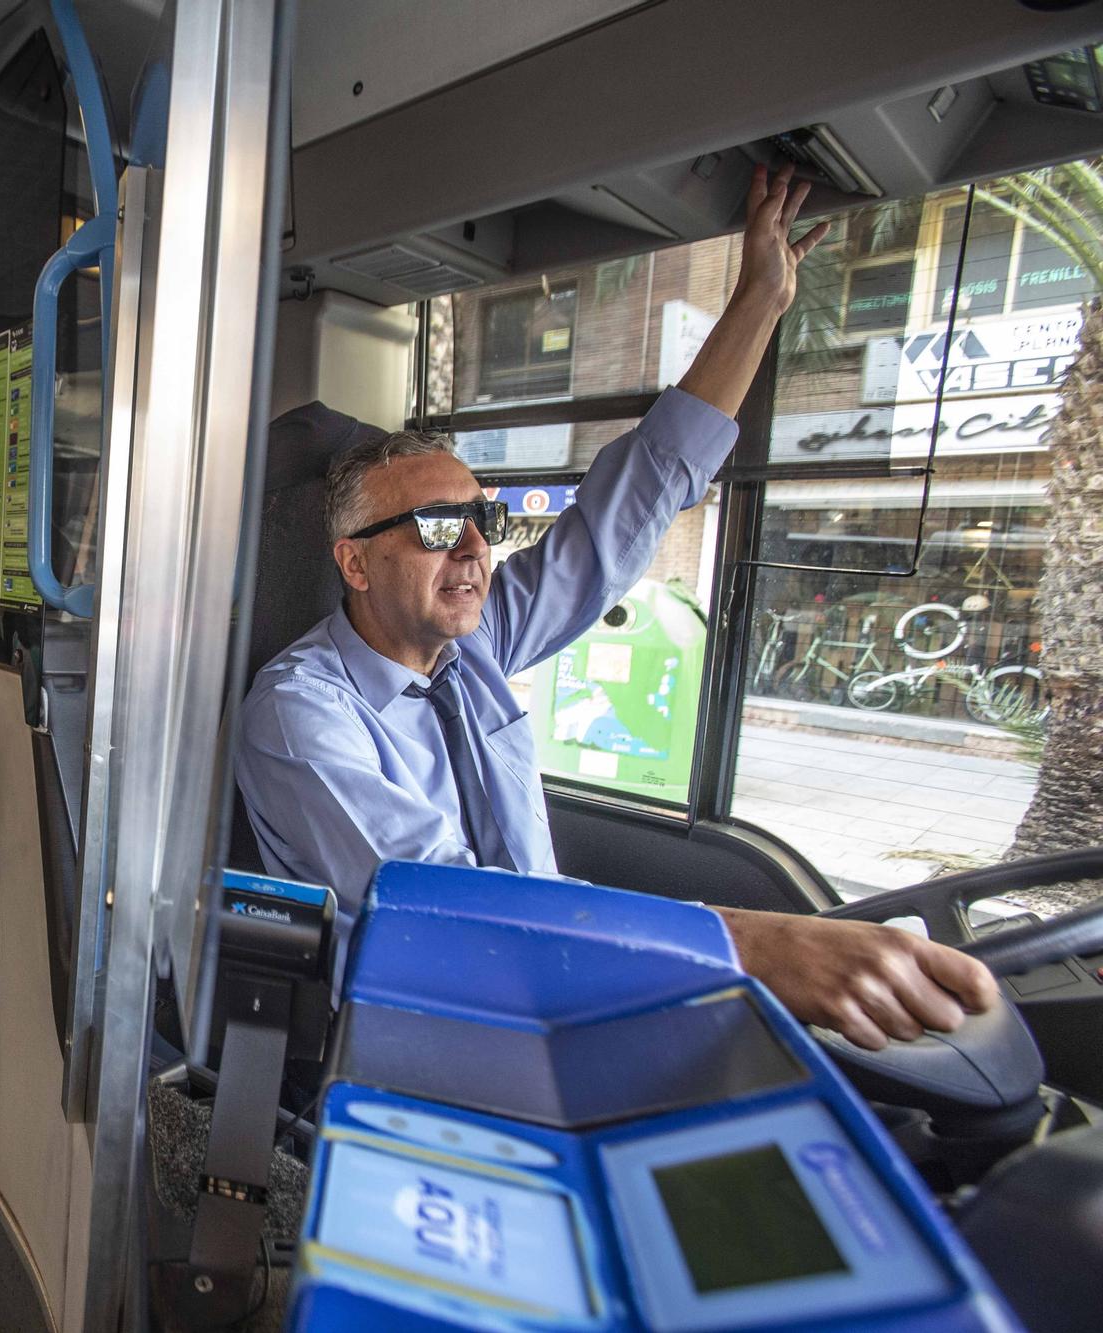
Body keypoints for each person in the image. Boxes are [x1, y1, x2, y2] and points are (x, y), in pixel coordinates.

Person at [236, 166, 1000, 1055]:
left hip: (563, 995)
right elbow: (441, 909)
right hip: (429, 1034)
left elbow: (629, 506)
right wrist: (748, 945)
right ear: (354, 562)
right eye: (440, 525)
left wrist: (759, 298)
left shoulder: (476, 643)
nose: (476, 548)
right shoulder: (299, 713)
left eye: (483, 519)